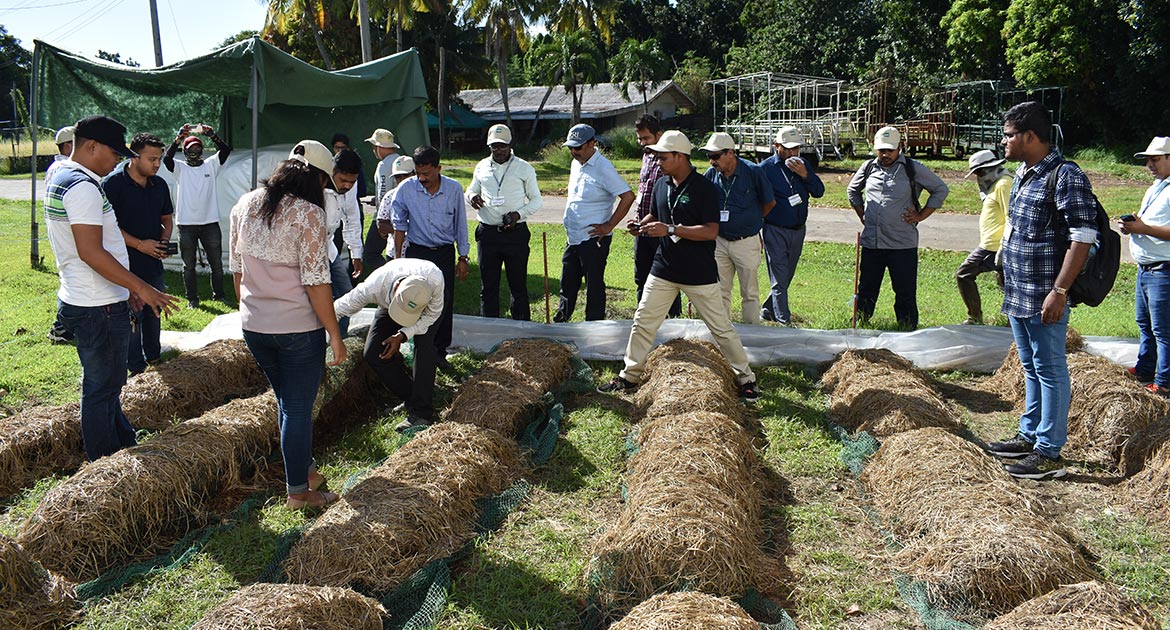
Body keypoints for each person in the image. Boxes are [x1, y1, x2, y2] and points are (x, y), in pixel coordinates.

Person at [45, 115, 180, 461]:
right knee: (101, 387)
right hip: (98, 305)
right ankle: (105, 462)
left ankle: (122, 442)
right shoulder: (83, 188)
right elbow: (91, 252)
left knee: (107, 383)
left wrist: (127, 287)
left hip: (89, 297)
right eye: (115, 153)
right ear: (92, 146)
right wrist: (141, 287)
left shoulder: (62, 174)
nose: (118, 160)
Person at [598, 131, 759, 400]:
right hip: (664, 268)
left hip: (699, 273)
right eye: (657, 157)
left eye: (663, 157)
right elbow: (656, 214)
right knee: (643, 322)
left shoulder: (704, 188)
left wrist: (671, 229)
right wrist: (641, 225)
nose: (658, 162)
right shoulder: (661, 184)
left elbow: (710, 231)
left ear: (680, 156)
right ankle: (629, 375)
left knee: (721, 329)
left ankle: (746, 378)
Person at [229, 145, 346, 510]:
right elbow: (316, 282)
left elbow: (237, 270)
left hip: (255, 327)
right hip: (297, 329)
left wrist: (250, 311)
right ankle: (298, 492)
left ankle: (305, 471)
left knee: (286, 401)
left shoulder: (244, 204)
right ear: (318, 179)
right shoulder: (309, 213)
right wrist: (335, 334)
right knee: (297, 409)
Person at [985, 101, 1097, 480]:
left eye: (1009, 135)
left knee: (1050, 368)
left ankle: (1049, 451)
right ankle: (1029, 434)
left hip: (1045, 294)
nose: (1004, 141)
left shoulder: (1066, 176)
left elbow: (1082, 237)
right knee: (1031, 365)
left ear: (1030, 136)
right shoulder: (1022, 172)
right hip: (1018, 290)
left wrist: (1060, 291)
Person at [846, 126, 949, 330]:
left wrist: (921, 215)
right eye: (881, 150)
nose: (885, 154)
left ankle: (907, 327)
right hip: (873, 242)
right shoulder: (868, 167)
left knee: (904, 291)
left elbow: (940, 189)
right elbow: (852, 191)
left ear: (899, 147)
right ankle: (860, 323)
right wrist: (863, 215)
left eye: (889, 150)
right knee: (866, 288)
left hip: (902, 244)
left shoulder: (912, 168)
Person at [334, 258, 444, 432]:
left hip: (425, 312)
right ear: (395, 289)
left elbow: (431, 316)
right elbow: (338, 308)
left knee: (424, 350)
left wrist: (402, 335)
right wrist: (331, 337)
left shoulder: (435, 280)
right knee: (373, 352)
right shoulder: (375, 286)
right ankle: (411, 396)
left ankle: (421, 412)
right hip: (389, 305)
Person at [390, 146, 470, 371]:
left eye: (427, 174)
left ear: (438, 168)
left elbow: (460, 225)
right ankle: (418, 348)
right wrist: (398, 261)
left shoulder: (454, 189)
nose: (422, 179)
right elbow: (399, 227)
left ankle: (440, 352)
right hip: (418, 253)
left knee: (443, 301)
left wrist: (463, 257)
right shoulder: (406, 188)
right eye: (418, 174)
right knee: (415, 299)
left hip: (444, 252)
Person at [102, 132, 174, 375]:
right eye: (152, 159)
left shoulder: (160, 185)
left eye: (159, 159)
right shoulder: (112, 185)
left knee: (155, 310)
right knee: (132, 314)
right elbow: (108, 227)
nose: (157, 164)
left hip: (152, 263)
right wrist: (140, 244)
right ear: (134, 157)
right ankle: (134, 366)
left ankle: (154, 356)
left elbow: (167, 219)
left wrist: (163, 242)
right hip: (123, 264)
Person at [555, 124, 635, 322]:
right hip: (574, 236)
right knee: (568, 281)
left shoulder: (603, 168)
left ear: (591, 143)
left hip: (593, 239)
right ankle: (562, 321)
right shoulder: (576, 164)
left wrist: (608, 226)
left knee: (594, 285)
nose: (574, 152)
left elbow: (628, 197)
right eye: (571, 148)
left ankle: (594, 325)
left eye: (578, 147)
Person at [467, 124, 542, 320]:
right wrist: (472, 197)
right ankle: (489, 327)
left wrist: (518, 214)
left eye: (502, 146)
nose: (498, 150)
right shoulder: (482, 166)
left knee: (518, 285)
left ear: (510, 145)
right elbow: (471, 190)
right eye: (494, 146)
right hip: (488, 234)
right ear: (489, 146)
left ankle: (522, 328)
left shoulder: (524, 168)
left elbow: (536, 200)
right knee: (488, 286)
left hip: (515, 235)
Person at [702, 132, 776, 324]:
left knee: (749, 292)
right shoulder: (711, 174)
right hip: (719, 241)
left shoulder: (753, 172)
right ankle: (721, 333)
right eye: (709, 156)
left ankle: (751, 333)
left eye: (715, 156)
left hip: (746, 241)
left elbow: (769, 202)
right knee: (719, 291)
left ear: (730, 153)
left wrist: (752, 221)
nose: (711, 161)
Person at [292, 142, 364, 338]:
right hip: (304, 252)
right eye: (343, 180)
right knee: (311, 297)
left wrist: (356, 252)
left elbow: (352, 217)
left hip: (329, 249)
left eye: (352, 182)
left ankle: (339, 339)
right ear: (332, 172)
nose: (347, 186)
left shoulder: (350, 188)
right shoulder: (315, 183)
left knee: (347, 295)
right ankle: (312, 339)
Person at [1119, 137, 1170, 396]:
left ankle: (1164, 382)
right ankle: (1145, 370)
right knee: (1145, 324)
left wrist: (1143, 228)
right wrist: (1133, 225)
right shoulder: (1156, 187)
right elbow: (1150, 223)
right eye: (1148, 160)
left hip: (1164, 269)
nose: (1150, 164)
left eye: (1156, 159)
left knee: (1163, 330)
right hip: (1146, 269)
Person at [759, 126, 825, 325]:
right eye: (787, 148)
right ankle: (784, 322)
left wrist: (805, 175)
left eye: (795, 148)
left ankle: (768, 309)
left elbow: (819, 191)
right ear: (776, 146)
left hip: (798, 230)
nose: (792, 153)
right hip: (775, 229)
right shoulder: (765, 169)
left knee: (786, 276)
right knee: (779, 278)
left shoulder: (803, 165)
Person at [164, 123, 232, 308]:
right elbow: (167, 158)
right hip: (186, 224)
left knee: (216, 264)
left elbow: (225, 150)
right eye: (190, 149)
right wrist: (178, 138)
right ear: (185, 151)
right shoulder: (180, 168)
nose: (194, 152)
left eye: (197, 148)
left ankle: (219, 296)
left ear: (202, 150)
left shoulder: (211, 165)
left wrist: (212, 135)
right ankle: (192, 299)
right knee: (189, 265)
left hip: (210, 223)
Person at [632, 114, 680, 317]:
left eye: (646, 138)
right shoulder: (646, 156)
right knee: (641, 276)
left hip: (661, 229)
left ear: (658, 135)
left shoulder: (668, 159)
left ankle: (673, 318)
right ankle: (643, 316)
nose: (642, 143)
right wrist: (638, 222)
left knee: (667, 276)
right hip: (643, 227)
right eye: (640, 139)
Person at [956, 150, 1011, 325]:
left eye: (980, 172)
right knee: (1007, 284)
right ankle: (1012, 323)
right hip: (991, 244)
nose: (979, 177)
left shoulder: (1004, 184)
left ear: (990, 169)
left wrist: (1004, 245)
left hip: (994, 246)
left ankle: (975, 318)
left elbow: (1011, 217)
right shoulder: (997, 184)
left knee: (964, 274)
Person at [46, 125, 77, 344]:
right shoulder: (63, 168)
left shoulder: (56, 167)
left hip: (64, 229)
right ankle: (60, 328)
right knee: (71, 278)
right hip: (67, 231)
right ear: (68, 146)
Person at [364, 128, 401, 275]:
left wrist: (381, 221)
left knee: (370, 253)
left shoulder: (384, 165)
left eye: (374, 146)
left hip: (385, 216)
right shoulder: (400, 160)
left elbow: (383, 193)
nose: (373, 150)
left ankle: (389, 276)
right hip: (401, 215)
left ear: (378, 147)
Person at [376, 155, 416, 248]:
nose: (402, 180)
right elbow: (382, 224)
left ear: (415, 173)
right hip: (394, 250)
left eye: (406, 175)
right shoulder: (390, 196)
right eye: (398, 177)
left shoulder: (424, 194)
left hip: (419, 250)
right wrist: (403, 229)